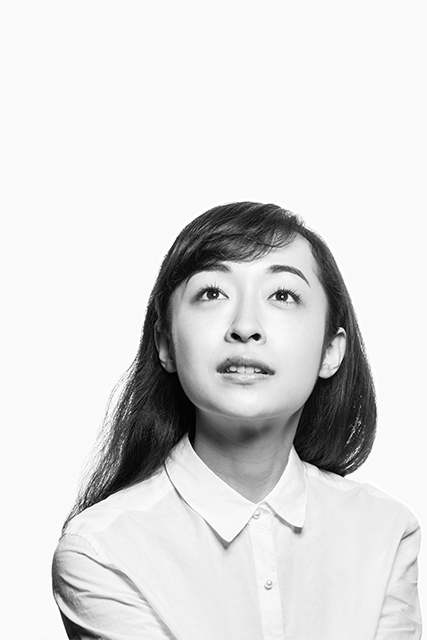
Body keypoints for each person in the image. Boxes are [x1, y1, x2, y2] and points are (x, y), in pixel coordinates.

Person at [52, 202, 422, 639]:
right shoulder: (101, 550)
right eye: (212, 293)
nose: (245, 327)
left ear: (330, 351)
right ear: (166, 343)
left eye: (282, 295)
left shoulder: (385, 532)